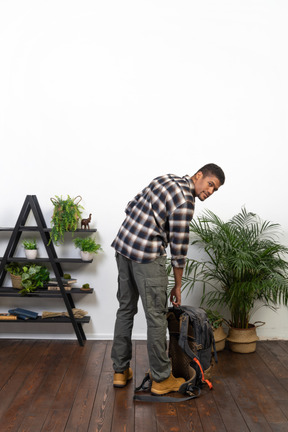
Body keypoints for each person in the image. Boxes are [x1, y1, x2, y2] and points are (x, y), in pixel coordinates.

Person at [111, 163, 225, 395]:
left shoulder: (166, 179)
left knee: (125, 309)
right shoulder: (185, 202)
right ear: (199, 175)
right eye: (210, 184)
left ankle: (120, 371)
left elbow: (131, 205)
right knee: (156, 317)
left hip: (123, 247)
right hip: (146, 257)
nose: (210, 192)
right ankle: (162, 379)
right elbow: (179, 250)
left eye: (215, 190)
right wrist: (178, 286)